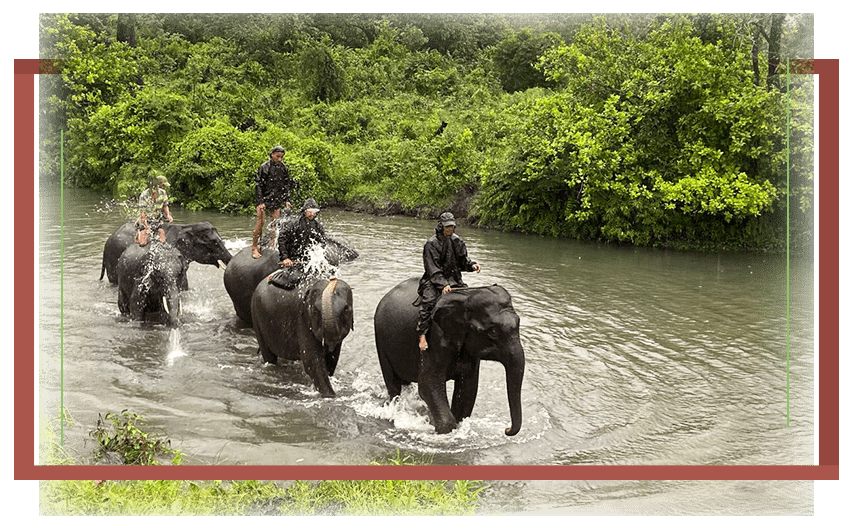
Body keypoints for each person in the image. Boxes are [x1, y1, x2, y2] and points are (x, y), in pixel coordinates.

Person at [416, 212, 480, 351]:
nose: (449, 229)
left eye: (452, 227)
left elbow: (463, 261)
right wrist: (443, 284)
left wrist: (472, 265)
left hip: (454, 279)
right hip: (434, 280)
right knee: (429, 302)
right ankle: (422, 334)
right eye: (447, 227)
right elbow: (432, 269)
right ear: (441, 226)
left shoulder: (457, 240)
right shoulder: (431, 244)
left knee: (470, 299)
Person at [253, 145, 298, 258]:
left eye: (281, 157)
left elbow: (285, 185)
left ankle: (272, 246)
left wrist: (286, 199)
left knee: (274, 224)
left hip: (276, 199)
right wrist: (260, 201)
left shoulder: (283, 168)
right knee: (260, 223)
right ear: (272, 155)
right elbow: (258, 185)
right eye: (277, 156)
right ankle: (254, 247)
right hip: (264, 199)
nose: (279, 159)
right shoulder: (264, 167)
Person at [277, 198, 328, 268]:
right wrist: (285, 258)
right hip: (292, 256)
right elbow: (282, 239)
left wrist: (320, 258)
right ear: (304, 211)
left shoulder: (318, 226)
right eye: (310, 211)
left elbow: (322, 243)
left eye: (314, 211)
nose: (312, 214)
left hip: (308, 258)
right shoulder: (293, 223)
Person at [135, 175, 173, 246]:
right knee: (143, 242)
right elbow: (143, 214)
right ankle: (138, 232)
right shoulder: (144, 195)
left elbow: (165, 205)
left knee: (162, 240)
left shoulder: (163, 193)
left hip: (157, 218)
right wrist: (147, 228)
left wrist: (168, 215)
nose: (165, 187)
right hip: (146, 219)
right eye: (163, 185)